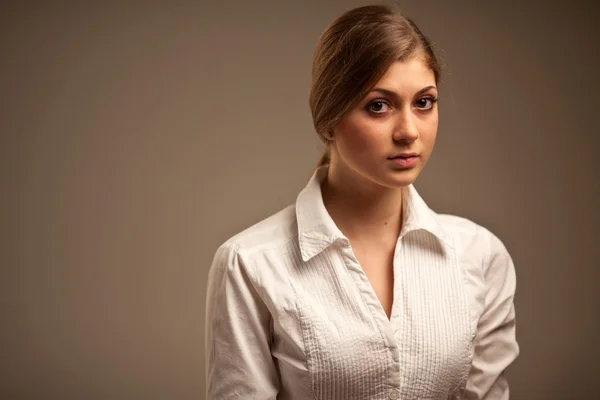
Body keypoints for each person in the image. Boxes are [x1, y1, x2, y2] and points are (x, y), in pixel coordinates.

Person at [205, 4, 519, 399]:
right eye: (378, 105)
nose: (408, 131)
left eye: (424, 102)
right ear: (328, 120)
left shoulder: (480, 256)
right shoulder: (250, 263)